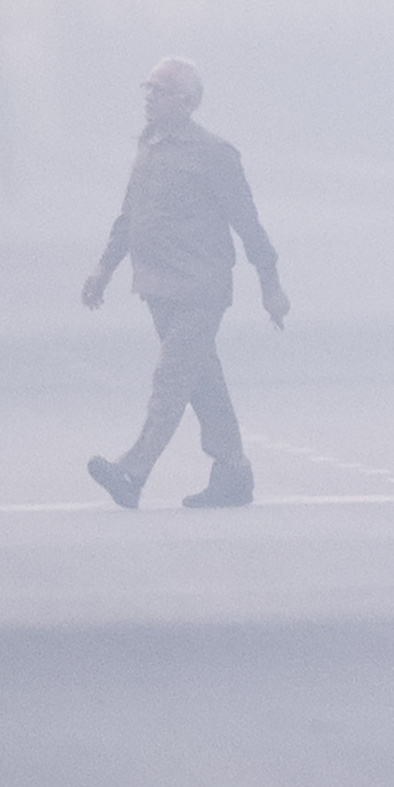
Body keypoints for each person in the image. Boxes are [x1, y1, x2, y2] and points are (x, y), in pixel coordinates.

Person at [82, 57, 287, 510]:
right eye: (148, 89)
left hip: (200, 288)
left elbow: (247, 223)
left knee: (172, 377)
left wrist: (269, 282)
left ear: (188, 103)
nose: (150, 97)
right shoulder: (150, 146)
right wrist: (105, 268)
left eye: (161, 90)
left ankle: (133, 471)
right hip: (157, 286)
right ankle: (232, 472)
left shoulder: (213, 154)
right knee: (202, 381)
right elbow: (130, 215)